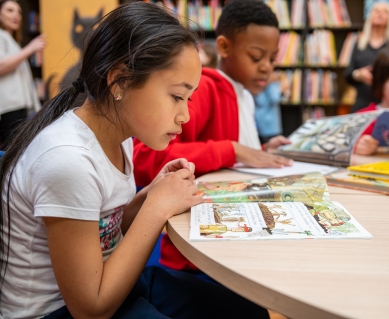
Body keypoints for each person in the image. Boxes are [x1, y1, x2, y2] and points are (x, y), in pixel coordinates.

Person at [0, 2, 276, 318]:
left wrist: (152, 193)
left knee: (247, 311)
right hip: (58, 310)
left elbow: (105, 226)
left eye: (188, 98)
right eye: (176, 96)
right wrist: (157, 208)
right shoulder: (68, 160)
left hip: (111, 282)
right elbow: (91, 309)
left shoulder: (119, 138)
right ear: (120, 83)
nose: (185, 115)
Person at [133, 0, 292, 273]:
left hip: (231, 241)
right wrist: (232, 149)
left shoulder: (243, 95)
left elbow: (225, 148)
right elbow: (147, 156)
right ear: (224, 47)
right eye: (256, 57)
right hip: (195, 258)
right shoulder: (204, 88)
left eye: (272, 58)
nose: (266, 67)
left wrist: (261, 149)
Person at [0, 0, 45, 149]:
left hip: (20, 108)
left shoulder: (13, 42)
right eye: (10, 10)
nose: (16, 15)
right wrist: (30, 49)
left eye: (19, 12)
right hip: (9, 109)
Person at [344, 1, 389, 113]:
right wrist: (359, 74)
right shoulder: (359, 43)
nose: (380, 14)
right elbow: (348, 73)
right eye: (376, 11)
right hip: (362, 102)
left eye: (385, 12)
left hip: (386, 103)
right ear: (370, 15)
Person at [254, 72, 284, 144]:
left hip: (265, 125)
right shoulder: (271, 83)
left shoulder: (258, 84)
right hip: (269, 126)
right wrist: (282, 90)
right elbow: (275, 98)